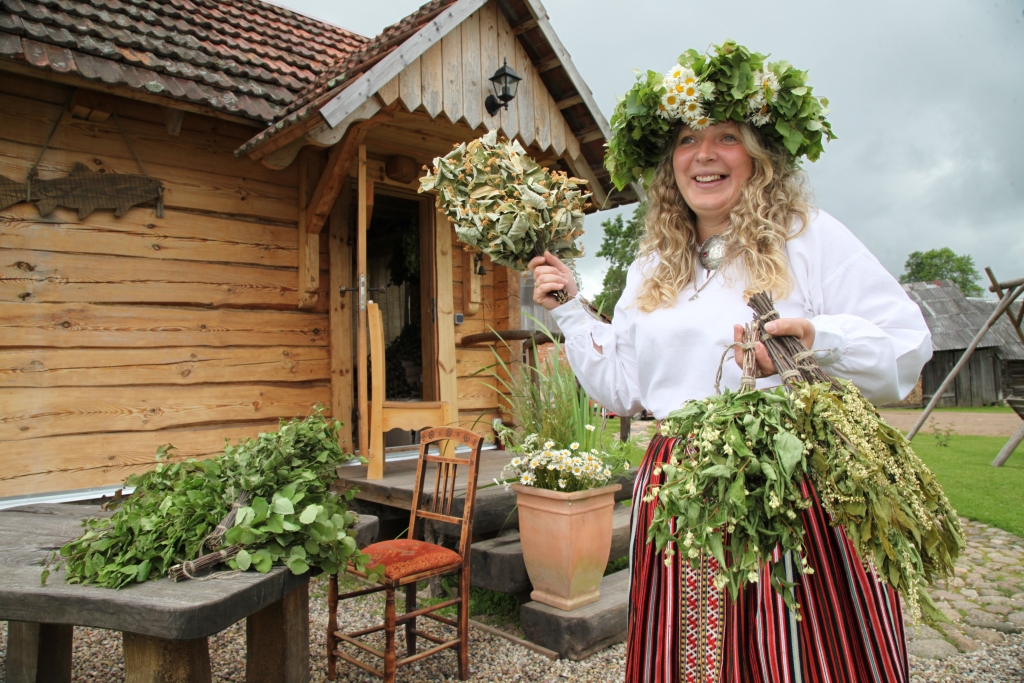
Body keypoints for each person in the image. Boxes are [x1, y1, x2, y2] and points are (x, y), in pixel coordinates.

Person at [528, 42, 931, 683]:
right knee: (691, 657)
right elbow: (627, 388)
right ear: (670, 165)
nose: (705, 155)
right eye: (689, 139)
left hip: (793, 486)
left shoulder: (808, 236)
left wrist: (812, 338)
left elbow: (907, 346)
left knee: (797, 653)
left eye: (727, 138)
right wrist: (573, 311)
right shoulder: (649, 268)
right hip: (677, 491)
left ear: (759, 156)